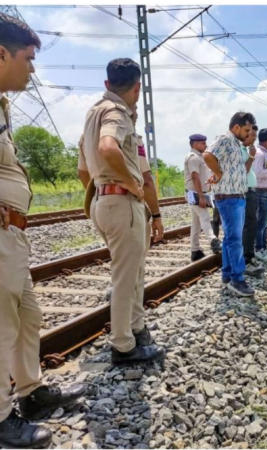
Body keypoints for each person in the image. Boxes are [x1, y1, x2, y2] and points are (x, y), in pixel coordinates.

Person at [0, 13, 85, 448]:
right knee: (2, 324)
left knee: (26, 316)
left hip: (11, 235)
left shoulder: (1, 106)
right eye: (28, 59)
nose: (33, 69)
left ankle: (31, 392)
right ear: (1, 54)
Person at [81, 58, 165, 365]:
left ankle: (136, 327)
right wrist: (129, 182)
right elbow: (108, 147)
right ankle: (123, 345)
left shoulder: (92, 114)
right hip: (121, 202)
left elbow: (82, 169)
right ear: (137, 87)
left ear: (107, 84)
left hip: (103, 201)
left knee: (130, 273)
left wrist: (101, 191)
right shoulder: (117, 113)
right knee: (125, 277)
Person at [203, 112, 256, 297]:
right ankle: (237, 279)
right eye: (246, 130)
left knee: (229, 239)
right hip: (229, 197)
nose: (249, 134)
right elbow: (208, 155)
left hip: (236, 196)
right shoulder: (225, 139)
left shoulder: (236, 143)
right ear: (236, 127)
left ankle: (227, 275)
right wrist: (218, 174)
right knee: (235, 239)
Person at [183, 133, 220, 261]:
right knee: (204, 216)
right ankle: (213, 240)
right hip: (194, 193)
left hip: (199, 192)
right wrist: (201, 196)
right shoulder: (193, 157)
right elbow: (195, 176)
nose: (206, 145)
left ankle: (195, 250)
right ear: (195, 144)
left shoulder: (200, 157)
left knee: (196, 223)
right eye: (203, 143)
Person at [240, 123, 266, 276]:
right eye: (252, 136)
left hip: (251, 191)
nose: (254, 140)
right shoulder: (241, 150)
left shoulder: (245, 149)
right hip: (245, 191)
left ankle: (249, 256)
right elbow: (244, 171)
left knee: (251, 225)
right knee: (248, 227)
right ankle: (246, 260)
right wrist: (251, 156)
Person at [252, 128, 267, 261]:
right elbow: (257, 174)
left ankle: (264, 247)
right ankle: (258, 249)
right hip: (262, 192)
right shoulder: (260, 154)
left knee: (266, 222)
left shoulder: (265, 153)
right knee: (261, 222)